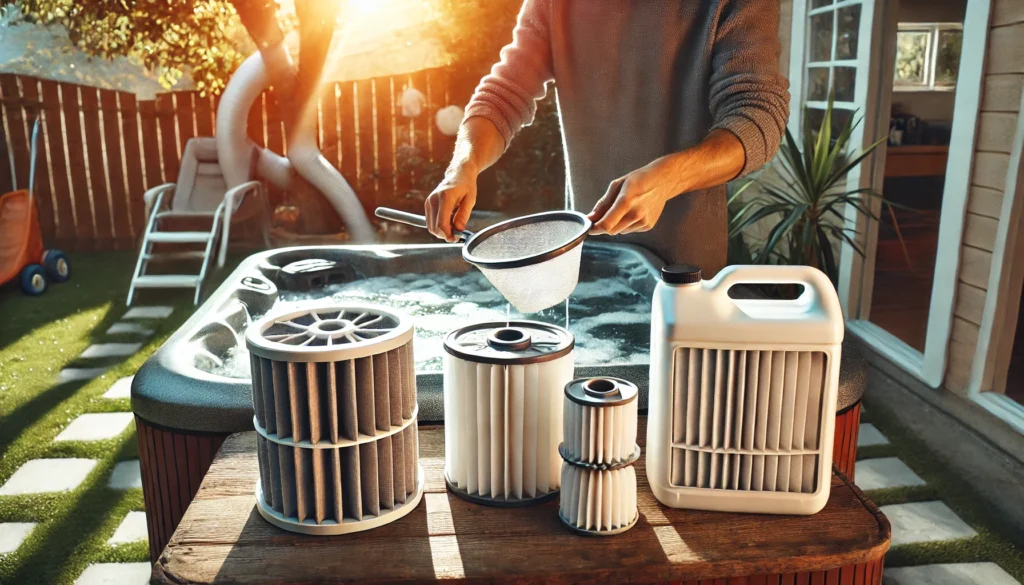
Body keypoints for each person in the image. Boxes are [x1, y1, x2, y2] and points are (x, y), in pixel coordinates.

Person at [424, 0, 789, 276]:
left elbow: (758, 115)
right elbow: (505, 93)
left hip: (682, 277)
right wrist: (463, 166)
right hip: (585, 263)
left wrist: (669, 178)